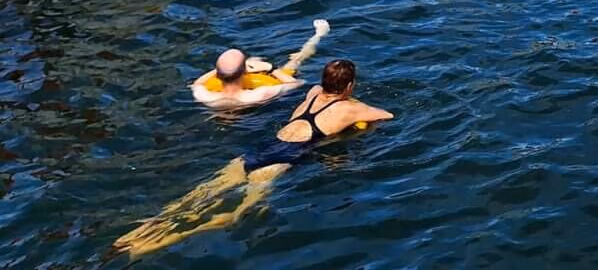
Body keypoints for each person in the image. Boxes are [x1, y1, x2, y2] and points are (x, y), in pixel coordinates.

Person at [116, 59, 392, 259]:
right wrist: (358, 116)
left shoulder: (311, 93)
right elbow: (386, 116)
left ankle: (141, 231)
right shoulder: (349, 110)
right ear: (350, 85)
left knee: (199, 194)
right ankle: (153, 245)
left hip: (263, 148)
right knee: (235, 213)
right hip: (284, 158)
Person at [191, 19, 330, 110]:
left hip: (222, 113)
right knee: (294, 62)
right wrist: (271, 68)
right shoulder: (260, 94)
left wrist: (221, 69)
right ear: (244, 73)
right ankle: (318, 36)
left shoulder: (204, 95)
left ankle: (247, 64)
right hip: (252, 118)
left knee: (254, 61)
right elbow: (297, 84)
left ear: (218, 74)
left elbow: (197, 83)